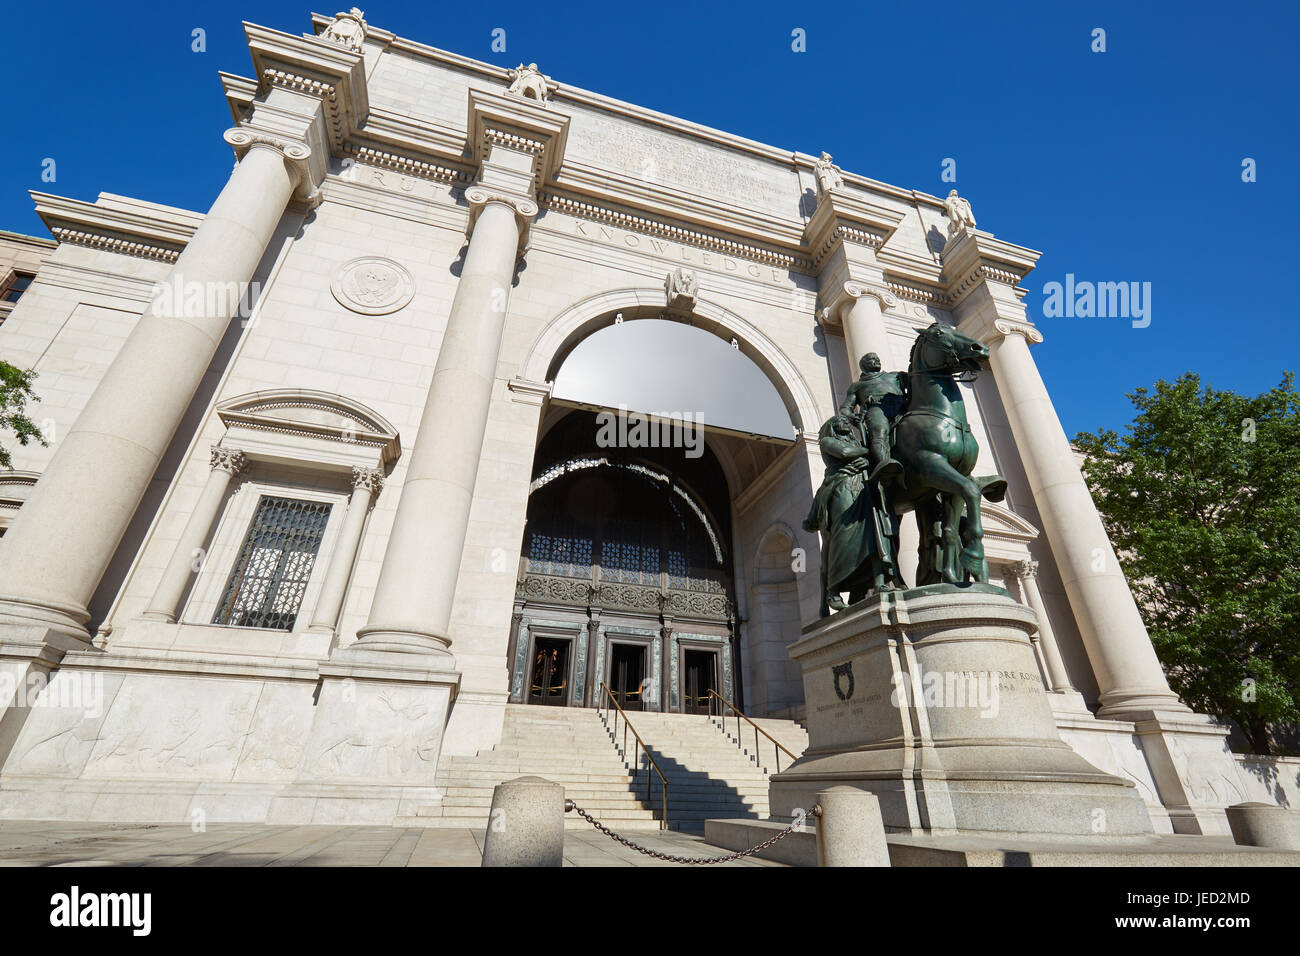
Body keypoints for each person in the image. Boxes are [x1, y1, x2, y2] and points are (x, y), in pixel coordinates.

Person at [838, 352, 907, 482]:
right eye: (871, 359)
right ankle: (885, 464)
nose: (876, 360)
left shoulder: (896, 376)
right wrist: (852, 416)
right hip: (875, 409)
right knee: (879, 432)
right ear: (863, 365)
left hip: (900, 405)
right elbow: (845, 408)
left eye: (877, 358)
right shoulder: (857, 386)